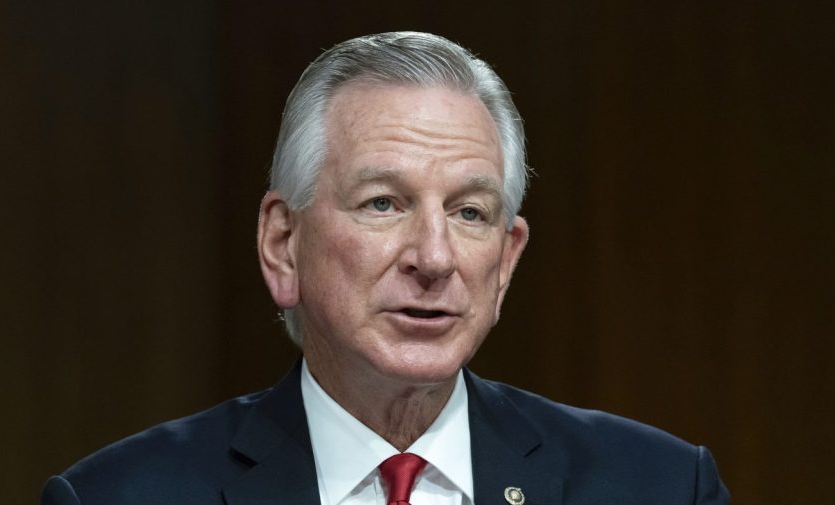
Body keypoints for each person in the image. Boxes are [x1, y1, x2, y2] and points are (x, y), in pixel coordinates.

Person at [42, 32, 730, 505]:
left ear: (506, 260)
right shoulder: (120, 495)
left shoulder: (660, 485)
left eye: (469, 213)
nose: (433, 257)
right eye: (383, 203)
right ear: (283, 244)